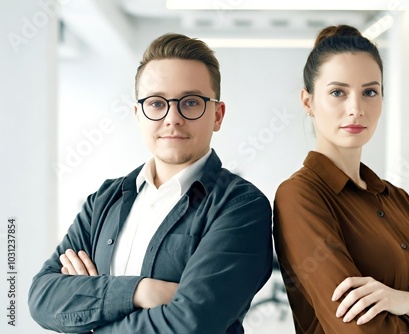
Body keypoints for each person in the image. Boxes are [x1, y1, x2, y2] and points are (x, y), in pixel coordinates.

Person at [28, 32, 273, 333]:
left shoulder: (240, 206)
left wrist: (91, 310)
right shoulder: (105, 199)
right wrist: (140, 291)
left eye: (191, 102)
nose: (173, 118)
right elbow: (42, 298)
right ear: (138, 115)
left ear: (218, 115)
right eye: (157, 104)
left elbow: (191, 323)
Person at [273, 24, 409, 334]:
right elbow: (357, 329)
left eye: (370, 92)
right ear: (308, 102)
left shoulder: (397, 199)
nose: (356, 109)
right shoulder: (300, 196)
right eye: (337, 92)